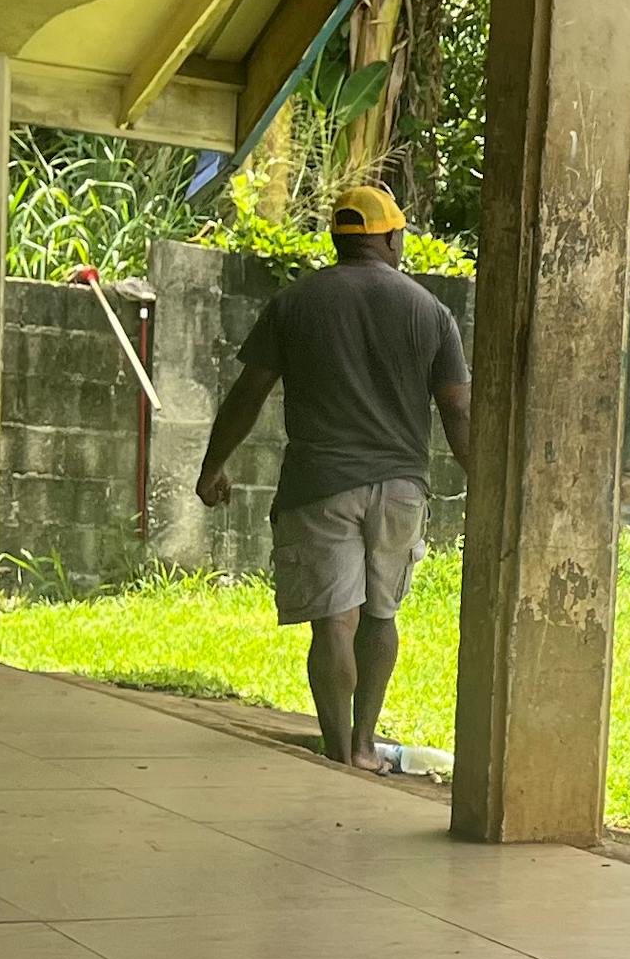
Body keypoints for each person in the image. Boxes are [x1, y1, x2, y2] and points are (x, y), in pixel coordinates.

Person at [195, 186, 471, 769]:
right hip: (400, 488)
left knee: (334, 622)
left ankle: (339, 751)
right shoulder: (430, 311)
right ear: (393, 238)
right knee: (380, 614)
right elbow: (458, 411)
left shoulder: (295, 303)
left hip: (319, 485)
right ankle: (367, 745)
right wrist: (487, 485)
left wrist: (213, 465)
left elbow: (248, 394)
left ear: (337, 239)